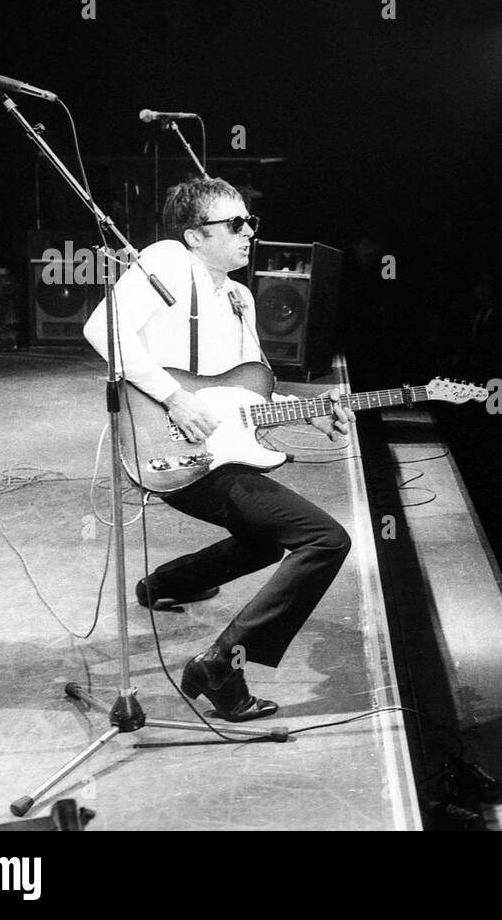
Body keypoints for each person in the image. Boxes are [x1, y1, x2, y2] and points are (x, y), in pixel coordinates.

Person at [83, 177, 355, 722]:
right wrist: (176, 398)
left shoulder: (239, 298)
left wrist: (310, 410)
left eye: (250, 221)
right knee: (325, 539)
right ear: (193, 236)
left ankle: (163, 584)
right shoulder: (166, 260)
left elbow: (243, 390)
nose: (248, 232)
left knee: (262, 542)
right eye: (235, 224)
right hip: (170, 444)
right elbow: (101, 329)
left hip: (220, 446)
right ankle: (219, 666)